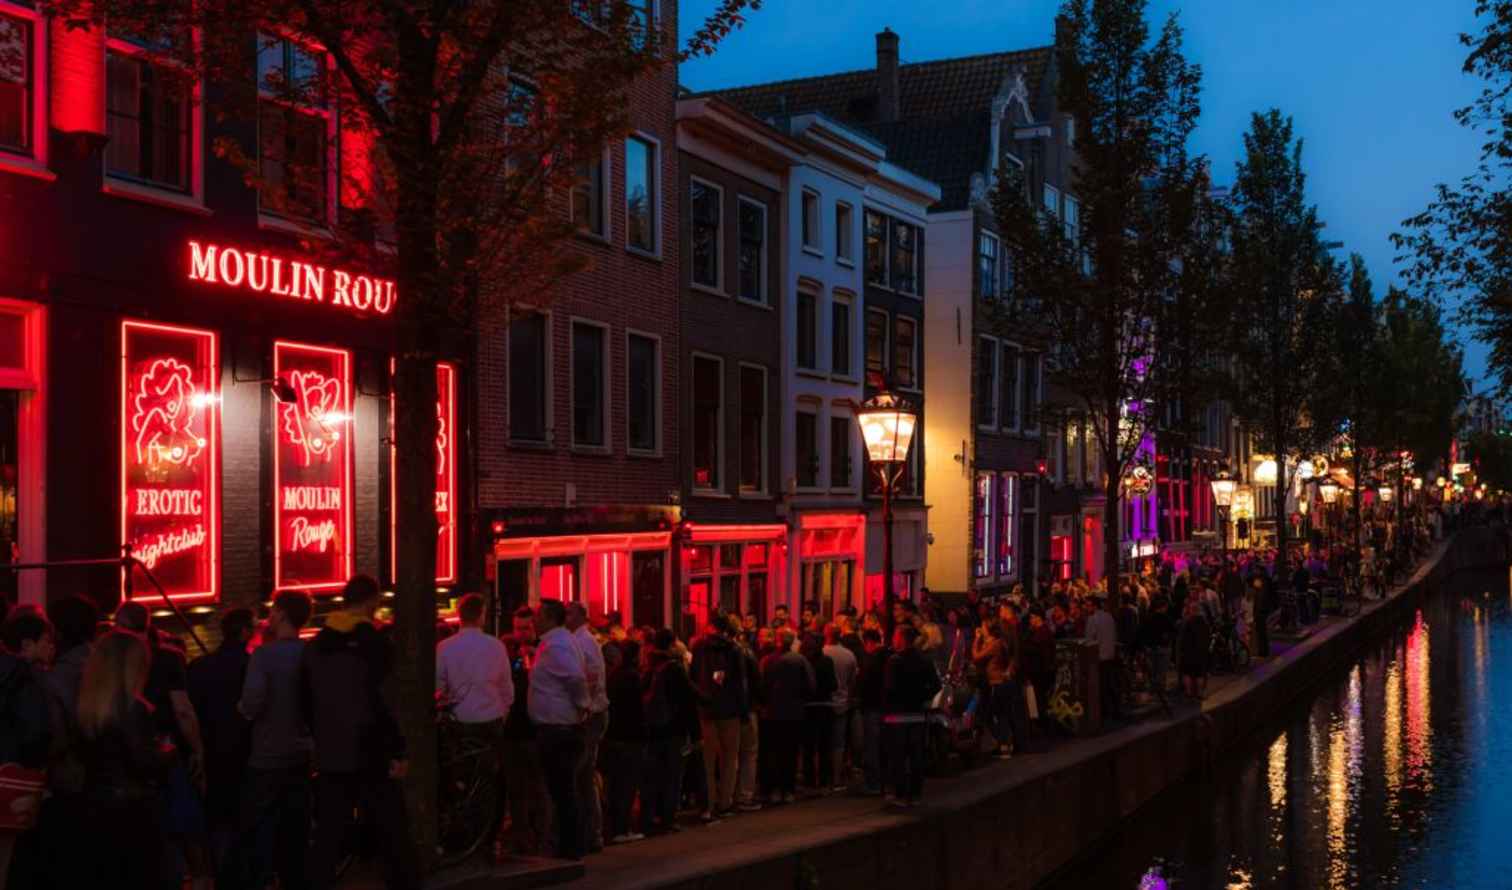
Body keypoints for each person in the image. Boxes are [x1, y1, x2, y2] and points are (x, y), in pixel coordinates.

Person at [301, 574, 418, 889]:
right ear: (373, 601)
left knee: (328, 831)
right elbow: (383, 699)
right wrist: (397, 748)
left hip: (330, 749)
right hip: (370, 748)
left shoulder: (316, 645)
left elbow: (305, 697)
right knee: (393, 827)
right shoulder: (375, 643)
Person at [114, 601, 210, 890]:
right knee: (184, 821)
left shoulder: (109, 658)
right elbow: (182, 709)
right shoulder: (168, 658)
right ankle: (197, 877)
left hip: (124, 754)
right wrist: (198, 749)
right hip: (165, 749)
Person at [227, 592, 313, 890]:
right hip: (302, 753)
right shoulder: (310, 653)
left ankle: (262, 878)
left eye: (273, 611)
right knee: (297, 825)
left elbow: (252, 702)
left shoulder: (263, 656)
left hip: (267, 753)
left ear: (281, 614)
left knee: (259, 823)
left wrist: (240, 711)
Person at [76, 630, 170, 889]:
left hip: (95, 805)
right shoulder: (133, 709)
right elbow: (143, 762)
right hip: (134, 808)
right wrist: (166, 754)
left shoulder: (87, 707)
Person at [188, 608, 255, 875]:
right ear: (245, 632)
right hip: (245, 752)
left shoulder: (200, 667)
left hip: (211, 750)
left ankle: (217, 873)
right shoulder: (252, 666)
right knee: (244, 819)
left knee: (215, 820)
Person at [528, 599, 589, 861]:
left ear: (550, 618)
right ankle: (569, 843)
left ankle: (569, 846)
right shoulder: (557, 642)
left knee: (562, 791)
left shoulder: (557, 645)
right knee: (563, 790)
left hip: (558, 729)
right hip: (558, 726)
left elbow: (574, 677)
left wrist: (582, 704)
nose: (534, 619)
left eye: (538, 615)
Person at [0, 608, 53, 887]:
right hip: (12, 776)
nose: (51, 647)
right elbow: (36, 730)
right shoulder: (26, 676)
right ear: (26, 644)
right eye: (45, 640)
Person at [500, 607, 549, 858]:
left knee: (539, 786)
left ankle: (542, 837)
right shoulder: (507, 653)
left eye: (525, 628)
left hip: (536, 730)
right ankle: (522, 839)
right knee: (516, 789)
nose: (520, 633)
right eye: (517, 628)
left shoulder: (545, 651)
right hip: (513, 730)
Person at [688, 612, 747, 820]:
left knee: (708, 759)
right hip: (729, 709)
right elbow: (740, 684)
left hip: (705, 710)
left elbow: (693, 677)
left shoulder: (698, 648)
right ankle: (725, 801)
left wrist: (701, 698)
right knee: (730, 758)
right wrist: (743, 710)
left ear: (710, 626)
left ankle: (708, 802)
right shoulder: (734, 650)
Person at [563, 603, 609, 853]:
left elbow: (590, 677)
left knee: (583, 774)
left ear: (580, 616)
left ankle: (592, 833)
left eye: (569, 613)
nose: (565, 618)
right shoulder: (578, 640)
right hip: (591, 714)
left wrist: (584, 706)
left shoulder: (584, 642)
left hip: (591, 716)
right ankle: (590, 832)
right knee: (583, 774)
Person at [640, 628, 694, 834]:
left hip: (653, 727)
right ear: (672, 644)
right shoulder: (674, 668)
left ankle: (649, 816)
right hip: (672, 728)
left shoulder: (650, 665)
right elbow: (687, 698)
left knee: (653, 774)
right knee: (672, 775)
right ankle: (668, 818)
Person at [882, 625, 939, 808]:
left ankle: (899, 792)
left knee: (898, 755)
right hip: (917, 714)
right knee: (916, 756)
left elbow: (889, 689)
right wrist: (923, 697)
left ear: (902, 639)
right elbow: (936, 685)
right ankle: (915, 793)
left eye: (896, 637)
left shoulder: (894, 661)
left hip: (898, 715)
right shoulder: (924, 660)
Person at [759, 628, 813, 804]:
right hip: (794, 713)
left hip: (773, 713)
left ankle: (774, 789)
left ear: (778, 640)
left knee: (773, 752)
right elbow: (811, 686)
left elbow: (762, 687)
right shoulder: (800, 660)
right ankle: (788, 789)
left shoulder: (768, 660)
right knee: (790, 752)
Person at [602, 640, 645, 844]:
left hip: (613, 735)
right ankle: (622, 827)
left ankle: (613, 826)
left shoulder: (613, 676)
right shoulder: (633, 677)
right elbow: (638, 710)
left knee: (614, 783)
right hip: (630, 737)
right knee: (627, 785)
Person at [798, 632, 838, 792]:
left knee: (808, 747)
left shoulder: (803, 661)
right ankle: (824, 780)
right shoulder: (827, 661)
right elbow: (833, 685)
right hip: (824, 706)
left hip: (808, 708)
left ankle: (809, 781)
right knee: (824, 746)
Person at [822, 624, 858, 792]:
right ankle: (836, 779)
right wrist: (849, 699)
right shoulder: (849, 655)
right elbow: (852, 681)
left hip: (823, 703)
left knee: (821, 742)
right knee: (838, 743)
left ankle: (822, 778)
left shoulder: (822, 652)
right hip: (842, 703)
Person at [855, 628, 888, 795]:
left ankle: (873, 783)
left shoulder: (873, 660)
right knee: (881, 745)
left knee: (871, 746)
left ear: (869, 642)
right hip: (884, 707)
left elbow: (864, 683)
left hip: (872, 707)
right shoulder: (888, 657)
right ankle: (882, 782)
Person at [1084, 593, 1119, 722]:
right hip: (1110, 655)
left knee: (1100, 688)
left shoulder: (1092, 619)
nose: (1086, 608)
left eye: (1088, 606)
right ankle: (1113, 711)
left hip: (1098, 658)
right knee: (1109, 685)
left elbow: (1088, 640)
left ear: (1094, 606)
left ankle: (1103, 713)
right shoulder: (1109, 617)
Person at [1178, 601, 1211, 699]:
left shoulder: (1187, 622)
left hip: (1188, 652)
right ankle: (1200, 693)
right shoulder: (1204, 622)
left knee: (1187, 672)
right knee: (1199, 674)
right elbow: (1208, 636)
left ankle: (1188, 692)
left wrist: (1182, 651)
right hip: (1200, 652)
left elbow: (1182, 639)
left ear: (1191, 611)